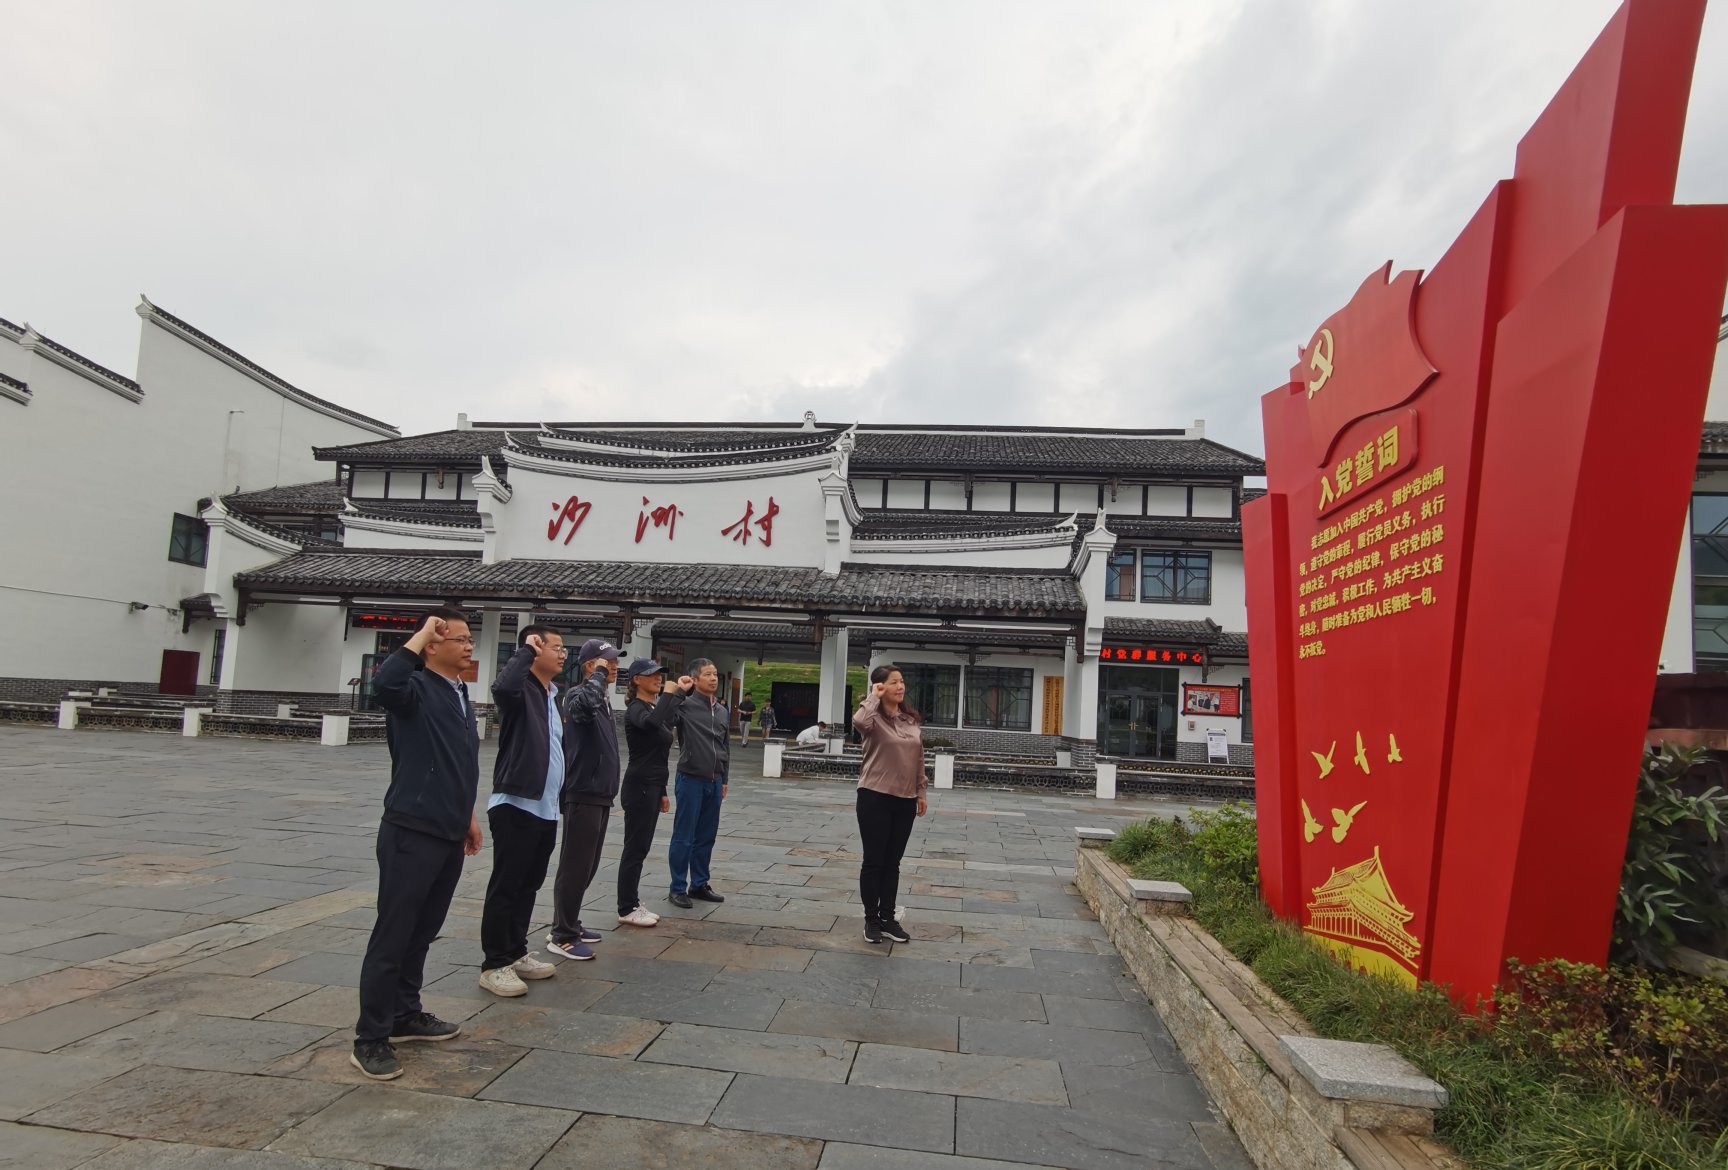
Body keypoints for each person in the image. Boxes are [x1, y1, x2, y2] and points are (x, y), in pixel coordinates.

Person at [352, 607, 482, 1081]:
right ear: (432, 646)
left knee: (423, 930)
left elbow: (457, 761)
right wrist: (421, 632)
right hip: (411, 830)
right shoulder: (413, 688)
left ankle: (405, 1013)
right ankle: (370, 1037)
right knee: (394, 934)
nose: (469, 646)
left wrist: (467, 815)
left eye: (470, 639)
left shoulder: (458, 692)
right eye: (459, 639)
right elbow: (383, 685)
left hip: (448, 829)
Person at [476, 625, 566, 998]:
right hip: (516, 804)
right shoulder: (521, 690)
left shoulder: (551, 695)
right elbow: (501, 688)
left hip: (546, 808)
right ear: (535, 647)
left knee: (529, 884)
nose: (563, 654)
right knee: (507, 885)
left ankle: (515, 952)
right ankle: (494, 963)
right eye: (556, 647)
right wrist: (525, 651)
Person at [546, 638, 620, 961]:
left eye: (614, 662)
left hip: (600, 792)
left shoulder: (602, 699)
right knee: (575, 866)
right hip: (583, 791)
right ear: (590, 665)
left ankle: (569, 922)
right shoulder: (579, 695)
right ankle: (561, 934)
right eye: (607, 662)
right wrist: (598, 677)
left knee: (588, 866)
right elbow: (583, 707)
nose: (613, 667)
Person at [852, 664, 928, 944]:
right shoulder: (872, 719)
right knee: (874, 861)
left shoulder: (910, 720)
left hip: (905, 800)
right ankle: (871, 920)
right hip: (874, 796)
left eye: (902, 681)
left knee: (892, 863)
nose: (900, 686)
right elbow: (859, 721)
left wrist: (921, 791)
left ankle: (888, 919)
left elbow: (919, 759)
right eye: (894, 682)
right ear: (880, 686)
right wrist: (873, 697)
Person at [657, 658, 730, 908]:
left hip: (715, 780)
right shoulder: (685, 706)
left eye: (715, 674)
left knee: (706, 836)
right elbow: (664, 718)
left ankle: (699, 884)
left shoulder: (722, 711)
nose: (713, 678)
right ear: (695, 679)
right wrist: (679, 691)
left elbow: (725, 747)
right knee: (684, 835)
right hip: (690, 779)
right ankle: (677, 887)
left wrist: (724, 778)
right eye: (707, 674)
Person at [616, 659, 672, 927]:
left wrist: (663, 790)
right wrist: (670, 695)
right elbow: (651, 724)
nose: (658, 679)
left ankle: (633, 902)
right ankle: (626, 906)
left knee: (642, 847)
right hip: (639, 786)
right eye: (652, 675)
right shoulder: (636, 709)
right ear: (636, 679)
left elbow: (658, 755)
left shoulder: (650, 707)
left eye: (660, 675)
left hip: (653, 785)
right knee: (634, 848)